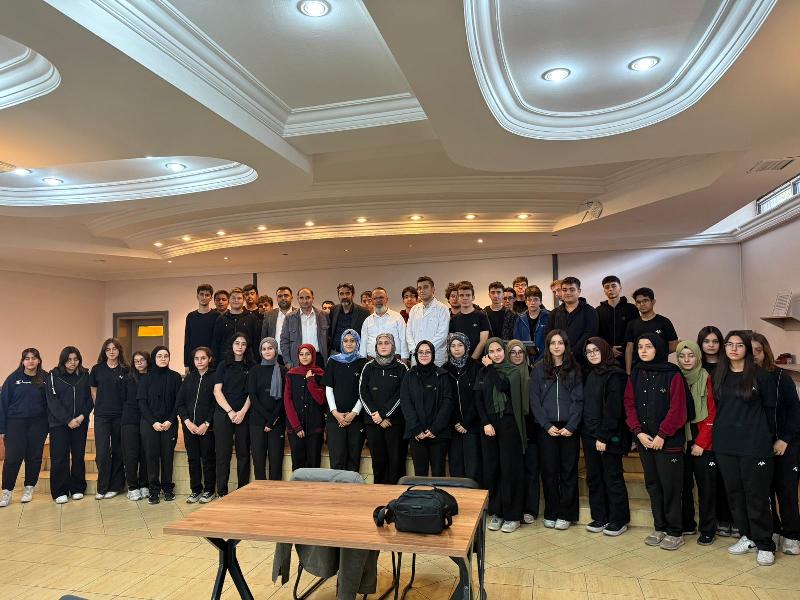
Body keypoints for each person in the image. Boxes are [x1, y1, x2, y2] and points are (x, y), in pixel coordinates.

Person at [714, 331, 777, 566]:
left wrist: (771, 439)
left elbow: (771, 411)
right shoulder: (719, 374)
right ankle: (747, 536)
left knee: (757, 495)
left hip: (755, 444)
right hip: (725, 444)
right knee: (735, 494)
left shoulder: (762, 376)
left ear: (747, 350)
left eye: (739, 345)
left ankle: (765, 544)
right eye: (729, 344)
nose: (733, 348)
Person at [624, 333, 688, 551]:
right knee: (653, 485)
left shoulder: (673, 374)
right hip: (644, 440)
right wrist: (638, 433)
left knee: (671, 487)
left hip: (668, 441)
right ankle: (659, 527)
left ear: (659, 348)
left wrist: (662, 434)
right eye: (640, 346)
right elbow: (629, 404)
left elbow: (678, 410)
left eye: (648, 346)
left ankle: (675, 531)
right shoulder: (636, 373)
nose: (643, 350)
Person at [751, 332, 800, 556]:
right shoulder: (742, 378)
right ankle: (774, 530)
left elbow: (795, 411)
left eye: (758, 351)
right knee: (764, 493)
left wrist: (785, 439)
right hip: (758, 446)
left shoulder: (781, 377)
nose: (754, 355)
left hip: (785, 444)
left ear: (766, 351)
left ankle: (792, 534)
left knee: (786, 491)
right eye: (750, 351)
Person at [530, 330, 583, 531]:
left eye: (560, 342)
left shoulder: (574, 369)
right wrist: (546, 425)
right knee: (549, 472)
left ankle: (566, 514)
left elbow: (579, 400)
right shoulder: (538, 369)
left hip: (569, 428)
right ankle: (551, 512)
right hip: (547, 428)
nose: (557, 346)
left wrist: (571, 426)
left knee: (568, 471)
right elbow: (534, 401)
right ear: (548, 346)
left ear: (566, 345)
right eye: (553, 343)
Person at [475, 337, 527, 533]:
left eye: (499, 350)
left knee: (509, 469)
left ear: (504, 352)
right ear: (487, 353)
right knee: (492, 469)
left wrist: (490, 368)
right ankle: (496, 512)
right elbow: (478, 400)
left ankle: (512, 516)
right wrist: (485, 422)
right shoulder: (481, 373)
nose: (496, 354)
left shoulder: (512, 371)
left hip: (508, 423)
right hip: (489, 425)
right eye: (491, 351)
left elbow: (503, 386)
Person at [581, 338, 630, 536]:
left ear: (604, 350)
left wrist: (603, 437)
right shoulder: (590, 374)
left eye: (596, 350)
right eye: (588, 351)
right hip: (589, 434)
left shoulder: (615, 375)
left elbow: (614, 410)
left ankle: (618, 520)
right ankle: (600, 517)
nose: (592, 354)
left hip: (609, 436)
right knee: (594, 477)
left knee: (612, 478)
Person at [676, 340, 718, 545]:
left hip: (703, 440)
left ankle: (708, 529)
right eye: (682, 356)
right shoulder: (675, 377)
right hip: (681, 439)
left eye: (691, 355)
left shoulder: (706, 377)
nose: (686, 359)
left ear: (697, 356)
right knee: (684, 484)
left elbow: (712, 412)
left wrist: (701, 443)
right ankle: (687, 523)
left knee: (706, 487)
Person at [0, 349, 49, 507]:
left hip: (38, 424)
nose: (30, 361)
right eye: (27, 358)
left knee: (34, 457)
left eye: (34, 358)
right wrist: (2, 428)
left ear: (39, 360)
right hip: (15, 423)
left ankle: (29, 488)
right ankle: (7, 492)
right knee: (12, 458)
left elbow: (51, 403)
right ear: (22, 361)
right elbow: (3, 403)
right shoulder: (13, 379)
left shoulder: (45, 378)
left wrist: (50, 426)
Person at [696, 325, 733, 537]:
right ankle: (719, 519)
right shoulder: (697, 367)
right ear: (700, 344)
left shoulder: (728, 366)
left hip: (727, 427)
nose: (711, 345)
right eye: (707, 341)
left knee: (728, 477)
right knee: (712, 480)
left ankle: (732, 518)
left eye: (715, 341)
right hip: (706, 431)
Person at [359, 333, 408, 484]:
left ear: (393, 346)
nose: (383, 346)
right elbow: (363, 392)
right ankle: (378, 492)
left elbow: (402, 394)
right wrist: (376, 416)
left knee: (396, 461)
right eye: (380, 343)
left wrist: (385, 415)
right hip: (373, 422)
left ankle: (397, 494)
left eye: (387, 343)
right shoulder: (368, 367)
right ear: (376, 347)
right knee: (378, 461)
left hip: (395, 422)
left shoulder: (402, 367)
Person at [46, 346, 93, 504]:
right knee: (60, 458)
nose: (72, 362)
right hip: (59, 424)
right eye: (69, 360)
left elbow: (90, 399)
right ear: (63, 361)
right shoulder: (53, 376)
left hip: (80, 422)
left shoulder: (85, 375)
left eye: (75, 359)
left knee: (78, 456)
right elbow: (52, 402)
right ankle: (60, 491)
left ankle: (78, 488)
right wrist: (68, 419)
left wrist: (81, 417)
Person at [400, 341, 453, 477]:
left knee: (438, 473)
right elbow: (406, 403)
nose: (424, 355)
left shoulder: (443, 375)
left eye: (428, 352)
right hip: (417, 434)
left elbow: (447, 403)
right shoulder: (409, 375)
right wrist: (416, 429)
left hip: (438, 434)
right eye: (421, 352)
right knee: (420, 474)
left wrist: (435, 429)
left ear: (433, 354)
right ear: (416, 355)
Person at [137, 345, 181, 504]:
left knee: (168, 457)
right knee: (151, 457)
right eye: (159, 356)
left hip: (170, 424)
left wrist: (170, 420)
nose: (163, 359)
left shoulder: (175, 377)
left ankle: (168, 488)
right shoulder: (146, 378)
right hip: (150, 425)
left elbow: (178, 402)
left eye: (166, 356)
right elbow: (142, 403)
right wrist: (153, 422)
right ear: (154, 358)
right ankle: (153, 491)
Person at [213, 333, 253, 497]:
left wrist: (242, 412)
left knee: (243, 453)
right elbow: (217, 391)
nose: (240, 346)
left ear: (247, 347)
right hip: (224, 414)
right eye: (237, 343)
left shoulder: (252, 365)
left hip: (244, 414)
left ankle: (242, 490)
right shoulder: (223, 365)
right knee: (223, 454)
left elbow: (252, 393)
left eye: (243, 344)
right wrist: (230, 412)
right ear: (231, 345)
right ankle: (222, 492)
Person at [177, 346, 217, 502]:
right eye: (196, 358)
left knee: (208, 458)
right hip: (189, 427)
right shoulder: (189, 378)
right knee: (192, 458)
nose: (199, 361)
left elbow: (215, 404)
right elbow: (180, 403)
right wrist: (187, 422)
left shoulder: (215, 377)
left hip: (207, 428)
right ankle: (195, 490)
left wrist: (206, 423)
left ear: (209, 359)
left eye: (203, 358)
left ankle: (209, 490)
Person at [89, 338, 128, 499]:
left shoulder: (125, 369)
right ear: (104, 352)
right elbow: (93, 389)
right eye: (108, 349)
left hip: (120, 415)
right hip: (102, 416)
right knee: (102, 452)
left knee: (118, 451)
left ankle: (116, 486)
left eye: (114, 349)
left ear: (119, 351)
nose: (111, 352)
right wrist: (98, 405)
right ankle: (102, 487)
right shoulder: (97, 369)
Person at [323, 330, 367, 472]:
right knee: (337, 461)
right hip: (335, 419)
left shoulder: (364, 362)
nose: (349, 343)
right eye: (346, 340)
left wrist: (354, 413)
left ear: (357, 342)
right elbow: (328, 389)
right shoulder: (333, 361)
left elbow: (364, 391)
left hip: (356, 419)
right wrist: (335, 413)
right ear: (341, 342)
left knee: (353, 461)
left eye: (352, 340)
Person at [442, 333, 481, 485]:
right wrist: (456, 422)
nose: (456, 349)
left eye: (460, 345)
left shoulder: (476, 367)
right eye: (453, 346)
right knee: (456, 467)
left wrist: (466, 423)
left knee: (473, 468)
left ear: (466, 347)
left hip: (472, 425)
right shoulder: (444, 369)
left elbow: (478, 397)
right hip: (453, 427)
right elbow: (445, 399)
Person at [507, 339, 538, 524]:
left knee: (531, 471)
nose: (517, 355)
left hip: (531, 429)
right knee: (515, 472)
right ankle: (516, 508)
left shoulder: (533, 373)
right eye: (513, 352)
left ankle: (531, 509)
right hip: (512, 431)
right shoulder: (505, 374)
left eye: (520, 352)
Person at [246, 338, 286, 481]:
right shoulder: (254, 370)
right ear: (260, 351)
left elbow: (284, 398)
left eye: (270, 348)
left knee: (276, 460)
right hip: (257, 422)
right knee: (258, 460)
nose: (267, 351)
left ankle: (274, 491)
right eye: (264, 349)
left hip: (277, 421)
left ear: (275, 349)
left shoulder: (283, 370)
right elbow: (252, 396)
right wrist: (268, 419)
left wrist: (272, 420)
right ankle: (260, 490)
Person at [284, 344, 326, 470]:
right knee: (298, 466)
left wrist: (310, 381)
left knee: (314, 464)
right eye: (301, 354)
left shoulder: (320, 374)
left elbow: (321, 400)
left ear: (313, 355)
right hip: (295, 428)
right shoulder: (291, 374)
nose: (304, 357)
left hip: (315, 427)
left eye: (308, 354)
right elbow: (287, 401)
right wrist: (296, 426)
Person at [624, 288, 679, 373]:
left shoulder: (664, 322)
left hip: (660, 368)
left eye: (645, 300)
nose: (642, 304)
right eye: (638, 302)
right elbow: (629, 348)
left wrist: (656, 353)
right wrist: (628, 372)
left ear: (653, 302)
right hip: (638, 369)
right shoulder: (632, 324)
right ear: (636, 304)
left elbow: (674, 345)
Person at [546, 276, 599, 364]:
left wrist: (572, 352)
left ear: (579, 291)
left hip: (582, 361)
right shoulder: (554, 313)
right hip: (559, 359)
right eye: (564, 290)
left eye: (572, 289)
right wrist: (558, 351)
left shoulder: (590, 311)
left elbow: (590, 334)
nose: (568, 293)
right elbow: (548, 334)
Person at [122, 351, 150, 501]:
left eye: (142, 360)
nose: (139, 363)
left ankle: (144, 484)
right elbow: (122, 398)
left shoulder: (152, 377)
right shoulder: (128, 378)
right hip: (130, 420)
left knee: (145, 453)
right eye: (136, 360)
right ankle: (132, 487)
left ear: (148, 361)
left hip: (147, 420)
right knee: (131, 454)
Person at [281, 287, 330, 368]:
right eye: (301, 298)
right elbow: (284, 341)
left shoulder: (323, 315)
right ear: (297, 299)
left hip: (319, 359)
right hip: (298, 359)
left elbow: (329, 338)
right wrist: (287, 361)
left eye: (308, 297)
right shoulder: (290, 317)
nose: (305, 301)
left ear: (313, 298)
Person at [406, 276, 450, 366]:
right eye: (419, 288)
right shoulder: (414, 309)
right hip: (416, 355)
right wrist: (415, 350)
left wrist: (426, 351)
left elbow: (442, 335)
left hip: (436, 357)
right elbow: (408, 332)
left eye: (425, 287)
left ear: (433, 289)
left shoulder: (442, 309)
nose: (422, 290)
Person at [596, 276, 639, 367]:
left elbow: (636, 332)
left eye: (614, 286)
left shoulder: (631, 309)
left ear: (620, 288)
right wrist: (609, 349)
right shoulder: (598, 311)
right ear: (604, 291)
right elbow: (597, 334)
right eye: (607, 287)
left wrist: (624, 349)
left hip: (629, 355)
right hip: (606, 356)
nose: (610, 289)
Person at [211, 287, 261, 362]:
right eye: (233, 298)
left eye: (239, 298)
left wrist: (255, 361)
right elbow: (215, 343)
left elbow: (256, 342)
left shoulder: (252, 319)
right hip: (225, 361)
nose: (236, 300)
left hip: (247, 361)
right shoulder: (221, 319)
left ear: (243, 300)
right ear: (229, 300)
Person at [360, 287, 408, 360]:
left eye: (381, 297)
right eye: (375, 298)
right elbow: (363, 342)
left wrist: (404, 359)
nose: (378, 300)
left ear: (387, 299)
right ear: (372, 301)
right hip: (372, 361)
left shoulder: (397, 317)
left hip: (395, 361)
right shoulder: (367, 321)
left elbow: (403, 339)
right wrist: (362, 360)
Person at [449, 282, 490, 360]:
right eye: (461, 295)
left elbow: (483, 341)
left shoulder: (482, 316)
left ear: (473, 297)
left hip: (478, 362)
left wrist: (471, 361)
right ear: (458, 298)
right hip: (460, 361)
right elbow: (453, 343)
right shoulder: (453, 320)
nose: (465, 298)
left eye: (468, 295)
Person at [184, 283, 219, 372]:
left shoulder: (217, 316)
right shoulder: (190, 316)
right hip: (194, 361)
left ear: (211, 298)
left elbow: (217, 341)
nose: (204, 297)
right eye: (201, 294)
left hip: (211, 362)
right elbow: (187, 341)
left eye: (207, 295)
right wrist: (186, 364)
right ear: (197, 296)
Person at [328, 283, 370, 355]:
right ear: (338, 296)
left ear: (353, 295)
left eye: (347, 293)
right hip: (335, 353)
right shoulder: (333, 310)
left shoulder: (363, 312)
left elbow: (366, 335)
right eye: (341, 294)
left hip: (354, 354)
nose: (344, 296)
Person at [513, 286, 550, 364]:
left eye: (535, 299)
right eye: (529, 300)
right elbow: (517, 342)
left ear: (540, 302)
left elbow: (551, 340)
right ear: (526, 302)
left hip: (545, 359)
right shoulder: (520, 319)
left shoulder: (548, 317)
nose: (532, 303)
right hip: (525, 361)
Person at [261, 286, 297, 356]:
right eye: (280, 296)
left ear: (291, 298)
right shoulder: (268, 315)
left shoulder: (299, 314)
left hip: (295, 357)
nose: (283, 298)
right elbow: (264, 338)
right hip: (274, 357)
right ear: (277, 299)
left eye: (286, 295)